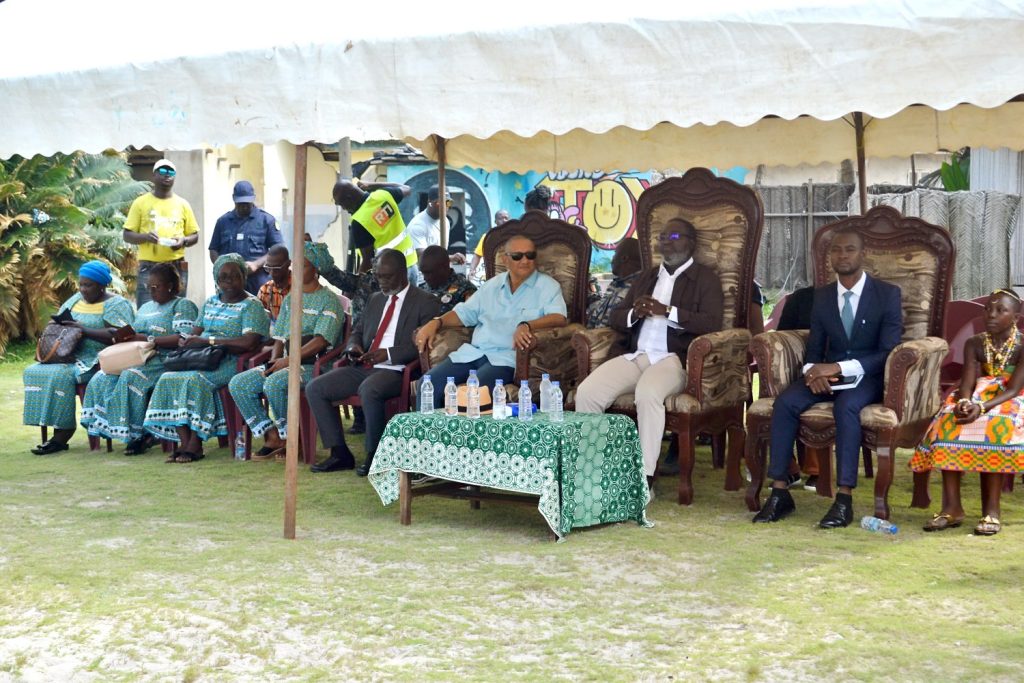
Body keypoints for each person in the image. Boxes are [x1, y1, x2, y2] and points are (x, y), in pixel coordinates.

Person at [752, 229, 902, 528]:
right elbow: (814, 347)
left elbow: (887, 351)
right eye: (836, 250)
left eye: (849, 249)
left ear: (863, 254)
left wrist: (837, 368)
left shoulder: (887, 294)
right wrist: (812, 372)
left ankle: (843, 499)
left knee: (846, 407)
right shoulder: (822, 297)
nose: (842, 255)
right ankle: (780, 491)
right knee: (786, 403)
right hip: (825, 376)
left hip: (866, 377)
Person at [574, 219, 723, 486]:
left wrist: (667, 312)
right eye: (662, 236)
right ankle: (593, 472)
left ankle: (643, 479)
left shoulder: (705, 279)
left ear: (690, 242)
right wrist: (635, 313)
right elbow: (616, 317)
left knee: (647, 393)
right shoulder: (647, 277)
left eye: (673, 236)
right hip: (637, 355)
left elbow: (712, 323)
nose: (665, 241)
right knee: (587, 393)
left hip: (673, 360)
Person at [306, 249, 440, 475]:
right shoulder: (375, 299)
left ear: (402, 273)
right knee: (315, 387)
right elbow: (357, 331)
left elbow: (424, 346)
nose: (381, 282)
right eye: (378, 276)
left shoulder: (425, 301)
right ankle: (339, 453)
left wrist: (388, 354)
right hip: (365, 364)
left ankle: (376, 454)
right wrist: (352, 347)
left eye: (387, 277)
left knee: (370, 389)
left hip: (397, 370)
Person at [910, 289, 1024, 535]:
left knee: (996, 426)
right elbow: (967, 382)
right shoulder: (975, 343)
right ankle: (952, 507)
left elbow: (1014, 389)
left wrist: (981, 408)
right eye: (988, 309)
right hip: (979, 395)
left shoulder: (1022, 345)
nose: (991, 315)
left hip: (1012, 398)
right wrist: (963, 401)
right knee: (948, 421)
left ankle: (991, 510)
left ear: (1015, 318)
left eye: (1000, 311)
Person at [143, 254, 269, 463]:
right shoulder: (210, 302)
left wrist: (208, 341)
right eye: (223, 277)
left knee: (194, 380)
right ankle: (184, 441)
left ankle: (196, 443)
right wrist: (187, 341)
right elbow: (195, 332)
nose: (228, 281)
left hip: (230, 361)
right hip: (201, 358)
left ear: (244, 277)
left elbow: (249, 342)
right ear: (216, 280)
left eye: (234, 276)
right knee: (167, 378)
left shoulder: (251, 305)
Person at [415, 234, 568, 403]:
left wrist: (527, 325)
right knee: (427, 384)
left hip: (506, 358)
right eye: (517, 256)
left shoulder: (547, 286)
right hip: (473, 353)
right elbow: (463, 313)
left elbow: (559, 318)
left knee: (474, 392)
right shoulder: (491, 285)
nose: (525, 261)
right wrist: (436, 322)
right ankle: (431, 423)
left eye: (530, 255)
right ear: (505, 259)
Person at [228, 243, 344, 460]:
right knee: (239, 383)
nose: (296, 270)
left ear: (316, 269)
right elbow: (280, 338)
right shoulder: (292, 298)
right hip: (286, 362)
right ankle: (273, 437)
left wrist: (288, 361)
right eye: (295, 265)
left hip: (315, 367)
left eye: (304, 266)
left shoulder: (329, 300)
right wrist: (274, 362)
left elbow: (320, 341)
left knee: (275, 383)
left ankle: (294, 439)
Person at [80, 263, 199, 455]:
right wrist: (123, 336)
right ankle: (114, 427)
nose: (151, 291)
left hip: (165, 359)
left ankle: (140, 435)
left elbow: (183, 339)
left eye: (156, 287)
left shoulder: (182, 305)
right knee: (102, 376)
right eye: (148, 286)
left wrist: (149, 339)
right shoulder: (145, 307)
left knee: (131, 376)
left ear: (170, 286)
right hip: (138, 356)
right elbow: (135, 333)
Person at [24, 260, 135, 455]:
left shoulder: (116, 304)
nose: (83, 289)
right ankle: (49, 424)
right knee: (33, 371)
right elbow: (59, 320)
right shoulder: (76, 299)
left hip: (96, 359)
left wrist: (84, 329)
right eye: (81, 284)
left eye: (88, 285)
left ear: (102, 285)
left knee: (60, 375)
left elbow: (121, 336)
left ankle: (62, 434)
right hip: (68, 355)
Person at [123, 159, 200, 306]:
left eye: (171, 172)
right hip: (149, 267)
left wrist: (183, 241)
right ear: (154, 175)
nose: (167, 175)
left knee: (177, 309)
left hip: (176, 266)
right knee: (147, 310)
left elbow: (194, 235)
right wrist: (146, 237)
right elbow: (127, 235)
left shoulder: (183, 204)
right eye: (163, 171)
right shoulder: (140, 203)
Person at [208, 180, 281, 295]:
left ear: (253, 199)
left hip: (258, 281)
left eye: (247, 203)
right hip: (229, 283)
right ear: (234, 199)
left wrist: (256, 264)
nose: (244, 207)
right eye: (240, 203)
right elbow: (213, 249)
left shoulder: (266, 220)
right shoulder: (223, 222)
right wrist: (221, 267)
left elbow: (278, 249)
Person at [332, 178, 414, 274]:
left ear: (349, 198)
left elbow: (368, 262)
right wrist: (371, 185)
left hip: (391, 274)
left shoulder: (359, 222)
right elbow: (407, 188)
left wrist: (357, 281)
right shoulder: (384, 195)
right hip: (411, 266)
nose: (343, 208)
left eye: (341, 204)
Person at [586, 238, 642, 328]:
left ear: (624, 258)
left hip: (603, 336)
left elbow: (610, 325)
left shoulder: (635, 288)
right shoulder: (617, 284)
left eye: (615, 253)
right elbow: (599, 313)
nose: (611, 260)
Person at [418, 245, 476, 314]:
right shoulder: (421, 289)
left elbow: (471, 317)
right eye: (423, 273)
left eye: (429, 273)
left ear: (444, 267)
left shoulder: (465, 290)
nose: (425, 278)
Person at [468, 209, 510, 279]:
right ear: (495, 221)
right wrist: (472, 270)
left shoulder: (515, 236)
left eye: (506, 218)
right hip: (495, 276)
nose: (504, 220)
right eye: (500, 218)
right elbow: (477, 255)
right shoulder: (488, 237)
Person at [256, 244, 291, 322]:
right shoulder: (265, 290)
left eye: (277, 268)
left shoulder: (300, 288)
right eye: (268, 268)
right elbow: (259, 321)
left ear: (288, 264)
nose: (272, 273)